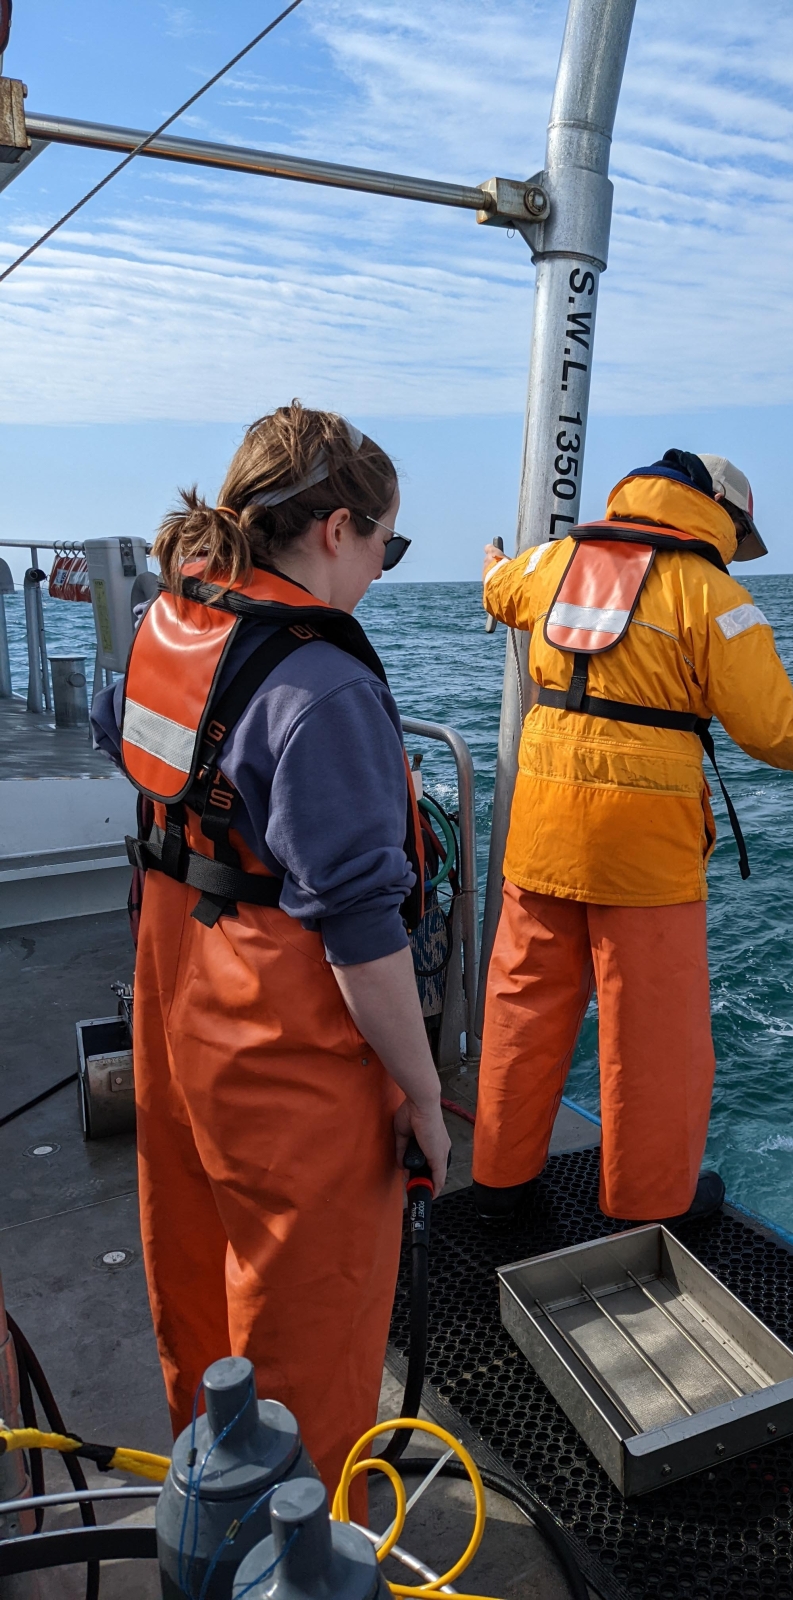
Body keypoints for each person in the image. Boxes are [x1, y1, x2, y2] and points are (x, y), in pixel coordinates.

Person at [91, 402, 451, 1507]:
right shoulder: (325, 688)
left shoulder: (175, 623)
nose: (383, 571)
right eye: (387, 546)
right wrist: (423, 1091)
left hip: (175, 996)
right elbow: (359, 930)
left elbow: (121, 727)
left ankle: (210, 1504)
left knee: (197, 1266)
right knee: (307, 1310)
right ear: (335, 529)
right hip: (284, 1040)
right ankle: (295, 1545)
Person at [472, 448, 793, 1226]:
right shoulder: (715, 598)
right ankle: (648, 1210)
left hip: (539, 835)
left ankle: (499, 1193)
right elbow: (777, 728)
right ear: (720, 514)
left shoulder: (550, 562)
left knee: (523, 1011)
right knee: (654, 1039)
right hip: (644, 856)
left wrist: (492, 566)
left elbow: (503, 591)